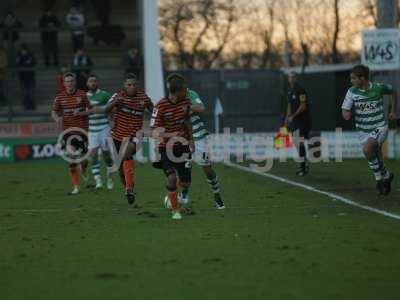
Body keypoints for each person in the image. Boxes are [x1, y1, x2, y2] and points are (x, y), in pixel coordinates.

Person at [78, 73, 153, 204]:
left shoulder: (143, 97)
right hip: (117, 136)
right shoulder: (117, 96)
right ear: (124, 86)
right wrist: (114, 104)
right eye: (129, 85)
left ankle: (129, 189)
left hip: (135, 136)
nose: (132, 87)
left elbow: (154, 111)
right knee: (120, 169)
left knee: (127, 152)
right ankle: (128, 189)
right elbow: (106, 109)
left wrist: (156, 124)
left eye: (134, 85)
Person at [166, 73, 225, 209]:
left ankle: (217, 196)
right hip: (183, 138)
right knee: (183, 167)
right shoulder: (171, 98)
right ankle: (184, 196)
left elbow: (201, 108)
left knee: (207, 169)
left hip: (200, 137)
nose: (171, 90)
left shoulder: (190, 94)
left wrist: (188, 107)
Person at [342, 64, 396, 196]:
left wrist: (392, 110)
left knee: (367, 149)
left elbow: (393, 91)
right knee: (375, 154)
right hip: (362, 130)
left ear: (363, 78)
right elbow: (345, 109)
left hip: (379, 126)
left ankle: (379, 180)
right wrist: (346, 113)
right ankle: (386, 176)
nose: (351, 81)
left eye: (354, 78)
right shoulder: (352, 92)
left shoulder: (378, 87)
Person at [150, 76, 193, 220]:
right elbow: (154, 131)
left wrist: (191, 139)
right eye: (185, 90)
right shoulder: (160, 106)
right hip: (166, 147)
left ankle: (174, 196)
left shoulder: (186, 102)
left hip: (183, 146)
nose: (187, 92)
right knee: (172, 178)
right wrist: (171, 134)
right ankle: (175, 210)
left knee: (185, 183)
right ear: (177, 91)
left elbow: (186, 121)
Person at [52, 72, 91, 195]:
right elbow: (53, 111)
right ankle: (76, 187)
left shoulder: (83, 95)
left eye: (71, 81)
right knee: (71, 155)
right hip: (68, 132)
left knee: (84, 160)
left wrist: (81, 113)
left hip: (82, 131)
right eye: (67, 81)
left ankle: (84, 168)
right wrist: (57, 118)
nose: (69, 83)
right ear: (64, 83)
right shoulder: (60, 97)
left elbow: (91, 110)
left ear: (75, 82)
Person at [85, 74, 114, 190]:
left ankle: (110, 176)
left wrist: (112, 119)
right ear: (87, 84)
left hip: (104, 129)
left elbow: (113, 108)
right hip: (92, 130)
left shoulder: (105, 95)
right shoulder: (83, 97)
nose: (92, 83)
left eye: (94, 81)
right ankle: (98, 181)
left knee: (106, 155)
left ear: (98, 83)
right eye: (90, 81)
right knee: (93, 155)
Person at [285, 71, 311, 176]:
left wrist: (293, 116)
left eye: (293, 77)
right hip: (294, 120)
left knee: (298, 140)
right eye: (289, 77)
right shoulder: (290, 91)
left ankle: (303, 166)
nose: (291, 79)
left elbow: (303, 106)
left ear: (296, 78)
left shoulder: (300, 90)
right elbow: (289, 105)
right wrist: (287, 117)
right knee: (296, 141)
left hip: (302, 119)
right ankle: (303, 161)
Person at [16, 43, 36, 110]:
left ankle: (32, 105)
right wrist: (25, 63)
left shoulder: (30, 55)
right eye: (22, 50)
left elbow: (32, 63)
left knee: (31, 92)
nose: (23, 51)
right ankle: (26, 105)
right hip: (22, 77)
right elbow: (18, 64)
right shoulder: (18, 56)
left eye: (24, 50)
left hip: (30, 77)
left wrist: (25, 63)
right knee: (24, 92)